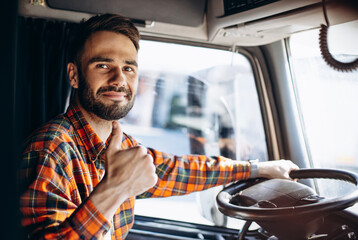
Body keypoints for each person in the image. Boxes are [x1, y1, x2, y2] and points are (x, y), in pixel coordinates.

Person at [19, 14, 299, 240]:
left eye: (128, 68)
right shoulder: (51, 147)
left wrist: (258, 169)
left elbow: (180, 170)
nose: (119, 79)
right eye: (103, 65)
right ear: (74, 75)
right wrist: (114, 189)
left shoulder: (122, 145)